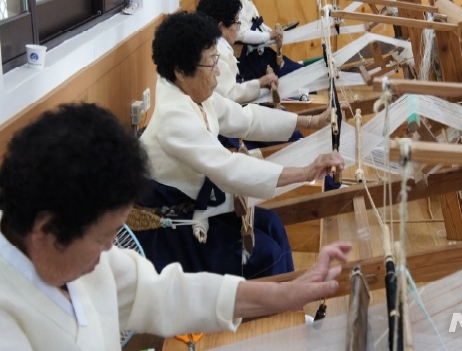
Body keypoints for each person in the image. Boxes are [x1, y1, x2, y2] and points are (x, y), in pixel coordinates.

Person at [0, 102, 352, 350]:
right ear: (45, 230)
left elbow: (163, 293)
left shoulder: (80, 260)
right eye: (103, 237)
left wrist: (285, 293)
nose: (112, 248)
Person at [135, 12, 343, 279]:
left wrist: (312, 120)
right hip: (171, 230)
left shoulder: (191, 94)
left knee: (272, 225)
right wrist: (305, 173)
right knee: (264, 255)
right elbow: (229, 169)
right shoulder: (173, 117)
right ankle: (281, 311)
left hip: (197, 208)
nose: (218, 72)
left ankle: (291, 305)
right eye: (211, 64)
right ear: (180, 71)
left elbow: (245, 118)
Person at [197, 0, 277, 104]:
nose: (237, 29)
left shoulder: (214, 46)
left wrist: (259, 85)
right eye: (236, 23)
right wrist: (259, 84)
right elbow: (228, 96)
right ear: (221, 27)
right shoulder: (216, 52)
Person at [236, 0, 304, 81]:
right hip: (253, 62)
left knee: (303, 73)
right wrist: (269, 35)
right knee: (302, 76)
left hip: (263, 54)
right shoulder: (233, 4)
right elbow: (242, 34)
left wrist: (274, 34)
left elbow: (257, 24)